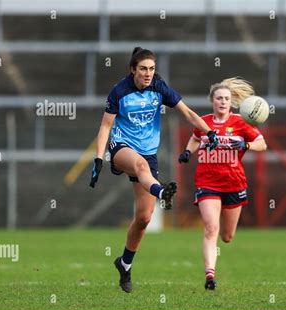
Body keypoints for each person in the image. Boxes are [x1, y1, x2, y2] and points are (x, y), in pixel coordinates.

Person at [89, 47, 219, 293]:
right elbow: (106, 126)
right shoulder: (120, 91)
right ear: (132, 70)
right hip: (122, 148)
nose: (148, 73)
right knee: (139, 166)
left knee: (144, 218)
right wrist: (98, 159)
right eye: (143, 69)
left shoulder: (159, 87)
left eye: (151, 69)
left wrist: (209, 131)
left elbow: (188, 113)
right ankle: (161, 193)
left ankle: (125, 264)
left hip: (148, 154)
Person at [178, 77, 267, 290]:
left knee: (226, 236)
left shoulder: (241, 122)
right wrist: (187, 152)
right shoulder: (204, 121)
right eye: (219, 98)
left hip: (234, 183)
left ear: (231, 101)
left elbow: (262, 144)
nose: (223, 102)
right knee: (211, 228)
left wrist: (244, 143)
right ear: (212, 100)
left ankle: (217, 252)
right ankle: (210, 276)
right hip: (207, 182)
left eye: (227, 98)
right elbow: (196, 137)